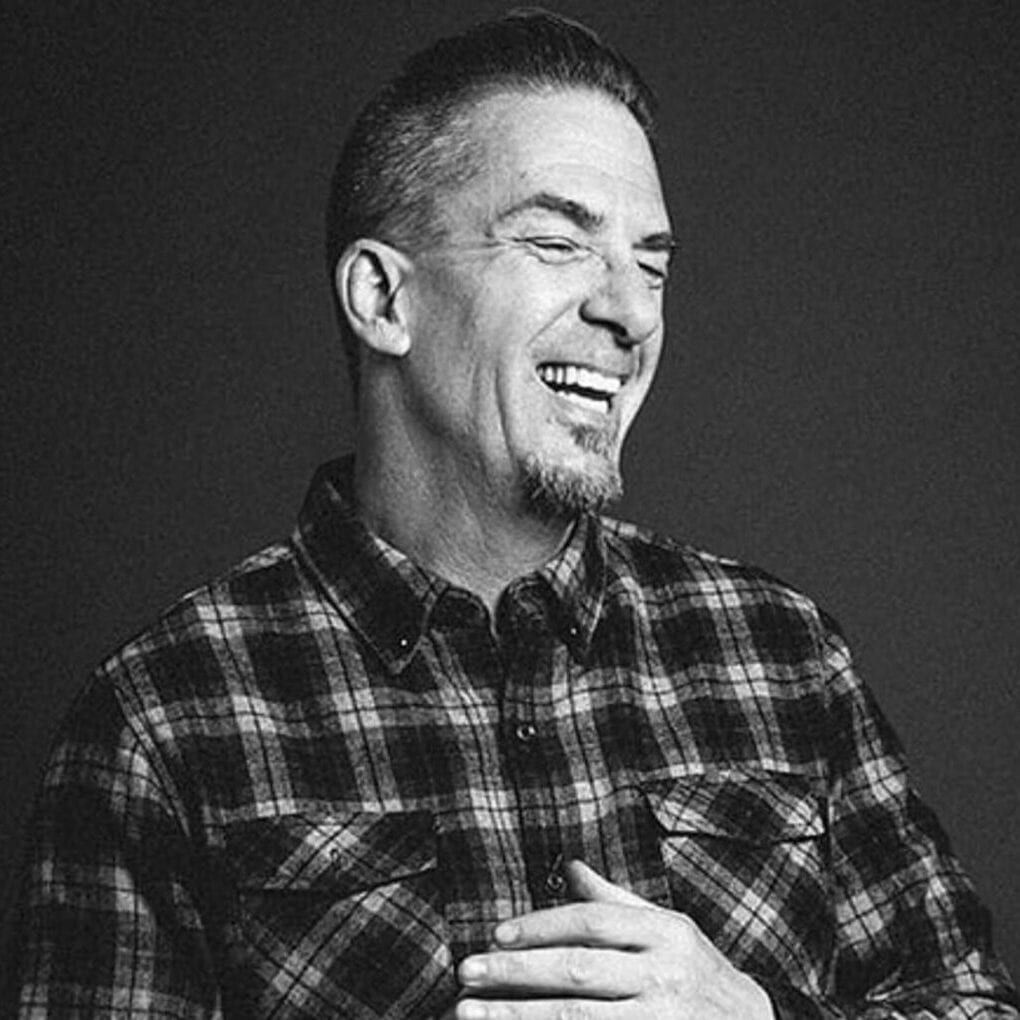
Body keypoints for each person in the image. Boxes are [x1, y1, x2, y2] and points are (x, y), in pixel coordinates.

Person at [6, 10, 1016, 1019]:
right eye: (558, 242)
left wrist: (756, 1016)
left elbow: (970, 1003)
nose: (633, 312)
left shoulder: (785, 658)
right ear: (383, 298)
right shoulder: (164, 719)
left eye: (652, 265)